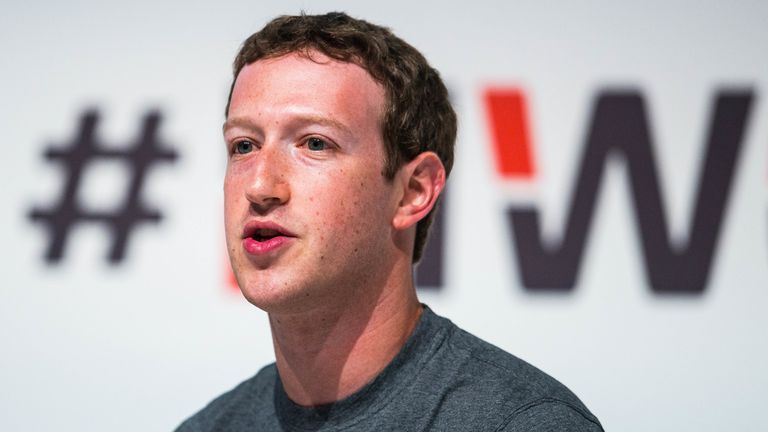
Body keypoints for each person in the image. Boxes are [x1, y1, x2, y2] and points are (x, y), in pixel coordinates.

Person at [177, 12, 603, 431]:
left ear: (413, 191)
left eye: (315, 143)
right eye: (244, 145)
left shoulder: (524, 423)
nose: (260, 185)